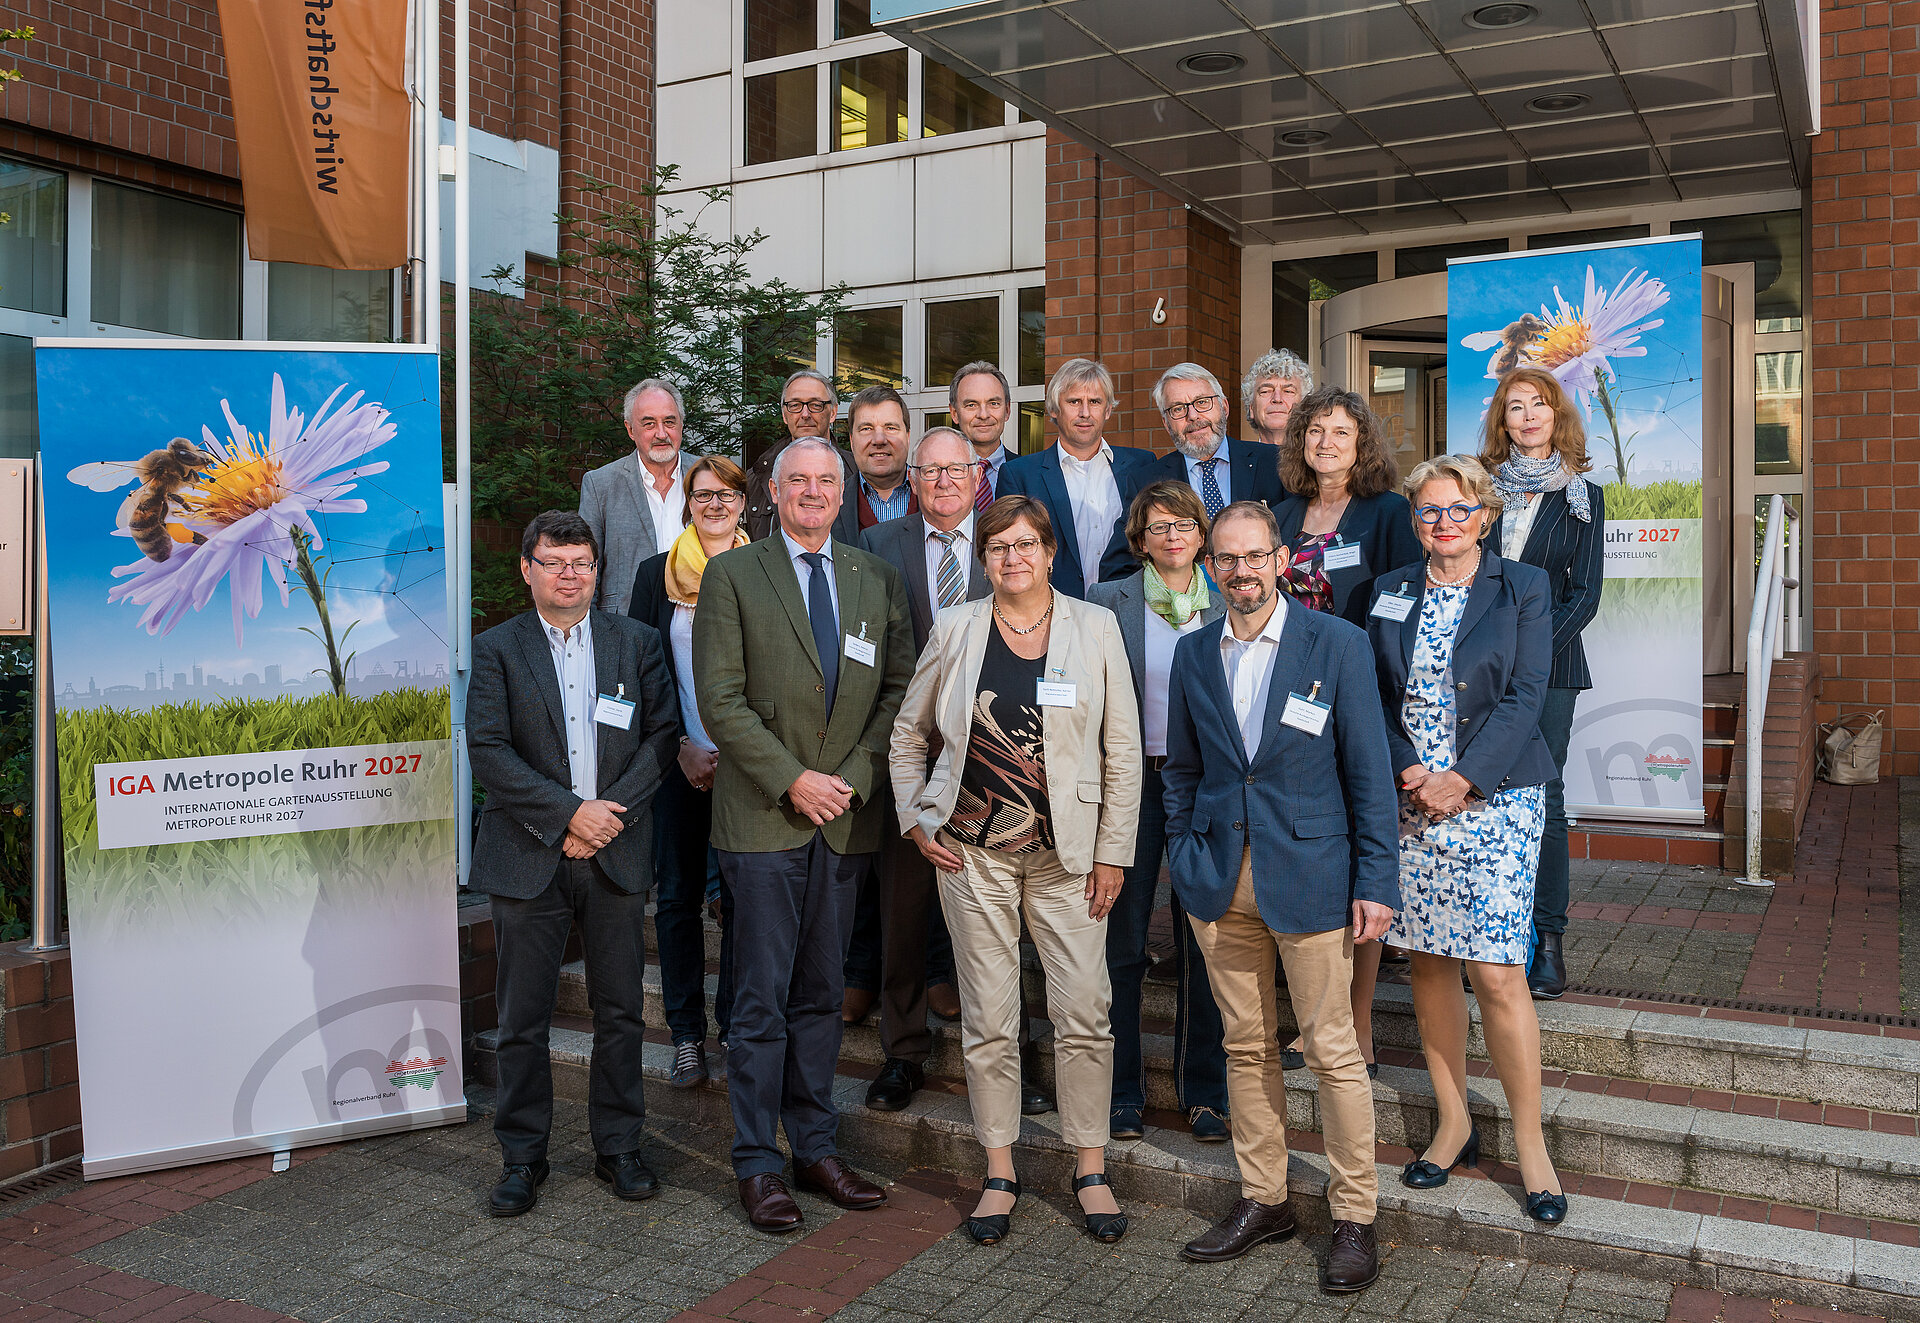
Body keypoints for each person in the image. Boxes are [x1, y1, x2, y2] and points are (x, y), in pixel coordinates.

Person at [890, 494, 1141, 1248]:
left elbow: (1122, 751)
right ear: (984, 555)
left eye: (1027, 544)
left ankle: (1089, 1167)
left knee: (1086, 1016)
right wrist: (914, 815)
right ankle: (999, 1171)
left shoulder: (1095, 626)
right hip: (972, 858)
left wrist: (1112, 851)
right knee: (990, 1021)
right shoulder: (958, 625)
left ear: (1051, 552)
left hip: (1069, 861)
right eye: (999, 546)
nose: (1013, 558)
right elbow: (908, 735)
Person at [1162, 500, 1398, 1290]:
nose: (1241, 571)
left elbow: (1367, 773)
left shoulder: (1338, 643)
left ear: (1281, 558)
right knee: (1244, 1046)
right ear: (1210, 567)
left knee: (1332, 1050)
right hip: (1219, 879)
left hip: (1314, 876)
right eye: (1225, 560)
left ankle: (1355, 1216)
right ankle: (1265, 1198)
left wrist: (1376, 879)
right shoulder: (1194, 654)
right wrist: (1184, 853)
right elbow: (1184, 771)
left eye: (1254, 555)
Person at [693, 435, 914, 1233]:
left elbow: (898, 688)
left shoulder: (874, 576)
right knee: (759, 1001)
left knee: (822, 996)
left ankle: (815, 1147)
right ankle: (757, 1161)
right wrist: (794, 777)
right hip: (763, 819)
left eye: (828, 480)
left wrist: (852, 774)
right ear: (774, 492)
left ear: (842, 490)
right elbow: (720, 699)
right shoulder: (732, 574)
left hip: (845, 820)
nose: (814, 491)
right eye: (800, 481)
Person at [1367, 455, 1566, 1226]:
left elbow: (1527, 694)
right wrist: (1409, 769)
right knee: (1429, 962)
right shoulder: (1386, 590)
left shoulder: (1524, 588)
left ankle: (1530, 1141)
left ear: (1484, 514)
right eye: (1427, 511)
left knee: (1496, 970)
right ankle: (1453, 1122)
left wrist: (1466, 779)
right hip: (1414, 802)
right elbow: (1372, 694)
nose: (1442, 524)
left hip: (1499, 800)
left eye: (1457, 510)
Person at [467, 510, 680, 1217]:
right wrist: (567, 814)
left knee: (620, 1011)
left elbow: (661, 736)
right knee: (523, 1018)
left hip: (614, 850)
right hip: (529, 854)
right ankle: (523, 1156)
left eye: (581, 562)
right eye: (554, 561)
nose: (569, 574)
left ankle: (618, 1146)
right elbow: (490, 750)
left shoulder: (636, 642)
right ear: (526, 568)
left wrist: (604, 816)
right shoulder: (496, 648)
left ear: (598, 570)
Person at [1270, 386, 1423, 1074]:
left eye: (1342, 431)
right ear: (1300, 440)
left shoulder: (1386, 513)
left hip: (1358, 700)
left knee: (1361, 854)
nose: (1328, 441)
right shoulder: (1280, 515)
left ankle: (1355, 1028)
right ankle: (1314, 1016)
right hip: (1289, 707)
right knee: (1311, 861)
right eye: (1316, 430)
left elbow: (1400, 611)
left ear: (1363, 444)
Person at [1086, 481, 1231, 1144]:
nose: (1173, 536)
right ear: (1139, 539)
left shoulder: (1232, 599)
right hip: (1132, 786)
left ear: (1203, 535)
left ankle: (1204, 1089)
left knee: (1208, 941)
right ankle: (1122, 1091)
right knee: (1123, 941)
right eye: (1159, 526)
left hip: (1206, 789)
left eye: (1185, 525)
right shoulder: (1105, 601)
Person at [852, 426, 984, 1111]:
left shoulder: (1008, 539)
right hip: (906, 757)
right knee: (902, 915)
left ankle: (1009, 1054)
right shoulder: (878, 546)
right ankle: (903, 1052)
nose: (941, 482)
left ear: (975, 473)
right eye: (927, 472)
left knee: (996, 916)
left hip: (993, 764)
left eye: (953, 469)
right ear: (912, 478)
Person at [1478, 367, 1605, 1002]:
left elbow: (1585, 596)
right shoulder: (1480, 491)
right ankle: (1484, 934)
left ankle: (1545, 940)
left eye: (1539, 406)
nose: (1527, 417)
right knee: (1482, 795)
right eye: (1515, 407)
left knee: (1544, 799)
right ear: (1502, 420)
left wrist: (1527, 655)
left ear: (1558, 416)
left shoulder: (1584, 495)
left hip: (1552, 673)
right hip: (1480, 670)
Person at [628, 456, 750, 1088]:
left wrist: (747, 751)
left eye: (726, 494)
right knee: (676, 900)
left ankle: (733, 1025)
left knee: (739, 899)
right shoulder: (657, 576)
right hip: (679, 763)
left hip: (748, 767)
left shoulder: (765, 569)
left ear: (743, 503)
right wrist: (679, 744)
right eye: (703, 494)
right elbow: (641, 671)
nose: (714, 504)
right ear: (688, 502)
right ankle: (685, 1036)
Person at [995, 358, 1154, 596]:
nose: (1085, 413)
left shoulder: (1142, 465)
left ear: (1108, 410)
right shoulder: (1019, 475)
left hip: (1129, 608)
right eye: (1074, 402)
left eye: (1095, 402)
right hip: (1053, 611)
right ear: (1054, 409)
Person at [579, 378, 701, 615]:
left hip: (699, 622)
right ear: (630, 430)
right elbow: (586, 566)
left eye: (669, 422)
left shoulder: (707, 475)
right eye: (649, 424)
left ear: (681, 426)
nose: (661, 433)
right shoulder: (600, 484)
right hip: (626, 624)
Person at [1141, 363, 1285, 517]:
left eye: (1202, 402)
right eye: (1178, 408)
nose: (1192, 416)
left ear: (1224, 407)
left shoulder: (1274, 461)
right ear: (1166, 424)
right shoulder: (1145, 482)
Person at [743, 369, 862, 543]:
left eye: (815, 405)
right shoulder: (758, 476)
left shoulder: (857, 472)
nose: (805, 414)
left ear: (833, 412)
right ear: (784, 414)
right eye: (795, 405)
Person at [846, 384, 919, 530]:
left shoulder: (938, 493)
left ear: (908, 436)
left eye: (890, 428)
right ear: (852, 440)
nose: (879, 440)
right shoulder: (831, 501)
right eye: (867, 428)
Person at [949, 361, 1020, 506]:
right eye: (971, 405)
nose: (983, 415)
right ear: (954, 413)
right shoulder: (937, 477)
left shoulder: (1030, 474)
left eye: (993, 403)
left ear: (1007, 410)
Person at [1241, 349, 1312, 450]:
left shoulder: (1318, 462)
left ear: (1305, 406)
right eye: (1265, 391)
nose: (1277, 398)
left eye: (1288, 391)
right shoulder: (1234, 463)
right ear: (1251, 407)